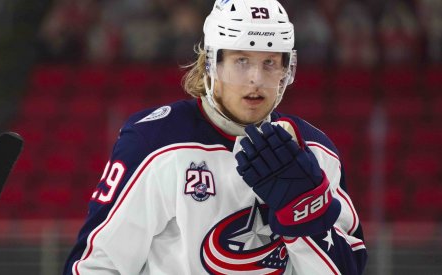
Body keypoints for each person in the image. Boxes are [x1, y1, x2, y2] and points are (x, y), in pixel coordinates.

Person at [64, 0, 367, 274]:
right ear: (211, 63)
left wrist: (304, 214)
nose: (256, 79)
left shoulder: (315, 152)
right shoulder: (153, 142)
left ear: (287, 69)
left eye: (270, 63)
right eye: (241, 61)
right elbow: (96, 265)